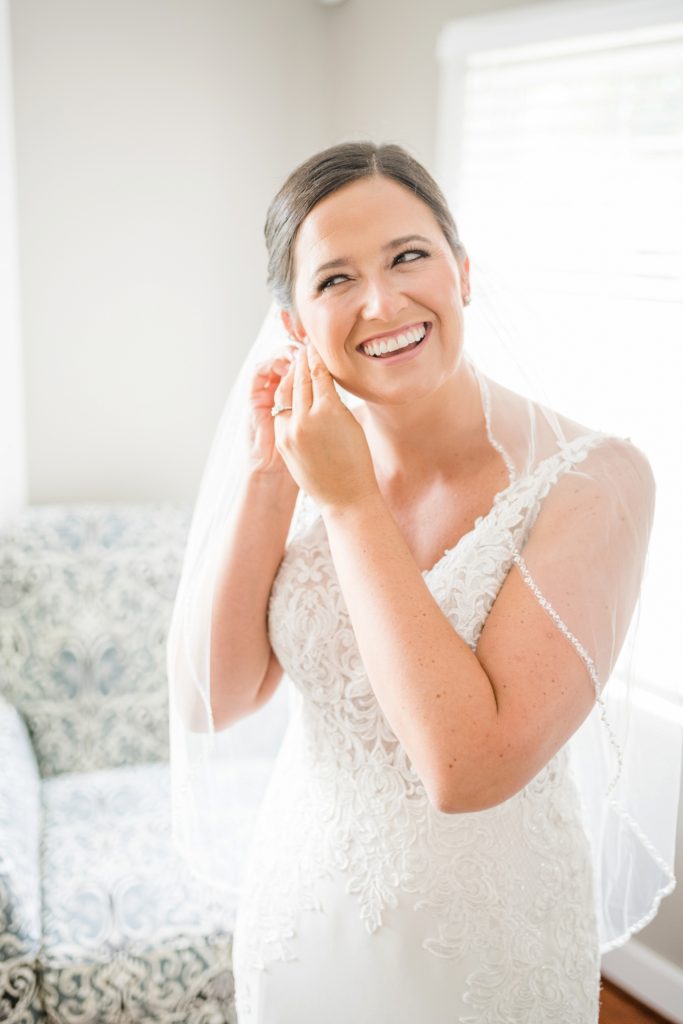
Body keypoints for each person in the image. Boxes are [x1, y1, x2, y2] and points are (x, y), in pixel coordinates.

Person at [167, 142, 677, 1023]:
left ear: (462, 273)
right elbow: (213, 698)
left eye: (408, 256)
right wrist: (266, 477)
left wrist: (349, 501)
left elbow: (465, 769)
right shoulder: (302, 460)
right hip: (301, 917)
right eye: (334, 279)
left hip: (481, 958)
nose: (381, 302)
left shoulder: (595, 482)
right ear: (295, 325)